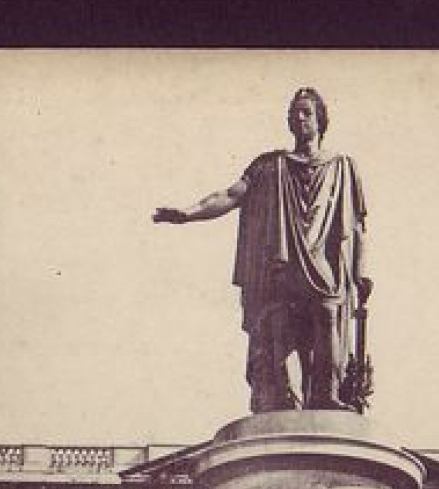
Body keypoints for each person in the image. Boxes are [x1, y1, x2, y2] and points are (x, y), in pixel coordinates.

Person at [154, 87, 372, 413]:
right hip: (282, 261)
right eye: (292, 113)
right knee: (281, 325)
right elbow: (230, 195)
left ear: (321, 120)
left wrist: (361, 272)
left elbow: (357, 227)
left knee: (327, 312)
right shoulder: (270, 166)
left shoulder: (342, 167)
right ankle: (290, 402)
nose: (297, 118)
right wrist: (188, 214)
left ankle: (326, 395)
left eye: (305, 112)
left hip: (322, 261)